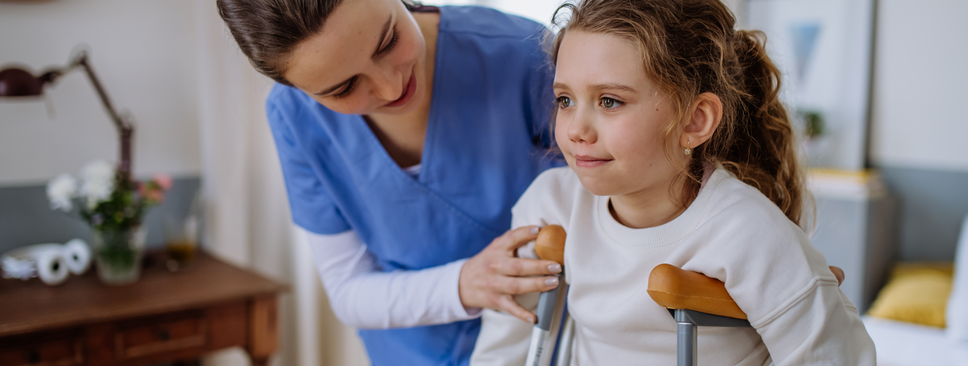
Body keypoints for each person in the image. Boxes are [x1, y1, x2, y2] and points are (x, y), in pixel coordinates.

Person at [470, 0, 876, 364]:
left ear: (694, 121)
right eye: (565, 100)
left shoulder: (748, 232)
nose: (576, 129)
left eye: (610, 101)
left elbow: (837, 356)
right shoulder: (551, 205)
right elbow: (504, 348)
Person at [215, 0, 566, 365]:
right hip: (409, 353)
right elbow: (349, 289)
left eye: (387, 41)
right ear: (298, 89)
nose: (390, 87)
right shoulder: (294, 118)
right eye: (344, 87)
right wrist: (465, 284)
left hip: (546, 341)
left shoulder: (526, 54)